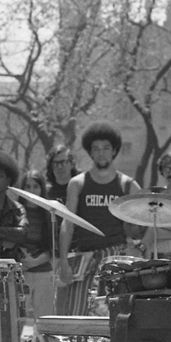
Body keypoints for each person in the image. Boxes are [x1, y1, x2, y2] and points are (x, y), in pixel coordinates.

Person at [55, 122, 141, 316]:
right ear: (90, 153)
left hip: (115, 259)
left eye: (106, 148)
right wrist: (63, 261)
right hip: (84, 258)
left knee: (112, 314)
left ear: (114, 151)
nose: (101, 153)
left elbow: (139, 226)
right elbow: (67, 224)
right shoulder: (78, 183)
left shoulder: (128, 185)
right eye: (96, 149)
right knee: (77, 313)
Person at [18, 169, 55, 324]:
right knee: (18, 320)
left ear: (42, 189)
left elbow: (52, 249)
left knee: (45, 322)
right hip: (20, 273)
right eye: (28, 186)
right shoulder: (15, 211)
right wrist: (23, 262)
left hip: (43, 273)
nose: (31, 190)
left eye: (35, 186)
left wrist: (34, 262)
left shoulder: (49, 214)